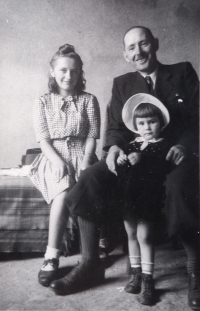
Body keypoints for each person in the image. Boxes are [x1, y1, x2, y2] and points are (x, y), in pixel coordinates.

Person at [50, 26, 199, 310]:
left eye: (143, 44)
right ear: (125, 54)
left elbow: (196, 119)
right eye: (131, 48)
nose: (138, 52)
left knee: (182, 186)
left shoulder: (182, 72)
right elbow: (116, 129)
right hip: (135, 157)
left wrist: (184, 146)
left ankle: (195, 270)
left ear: (155, 44)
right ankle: (91, 263)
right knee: (90, 177)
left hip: (173, 155)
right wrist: (114, 148)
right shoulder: (122, 83)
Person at [29, 43, 102, 288]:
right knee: (61, 194)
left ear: (81, 73)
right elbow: (43, 139)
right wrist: (58, 161)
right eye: (62, 70)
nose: (68, 76)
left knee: (86, 185)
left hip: (83, 151)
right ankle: (52, 255)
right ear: (52, 72)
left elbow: (92, 134)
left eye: (74, 71)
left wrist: (85, 159)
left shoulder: (89, 100)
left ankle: (92, 253)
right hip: (54, 154)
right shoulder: (42, 102)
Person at [115, 94, 172, 305]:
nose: (147, 127)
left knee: (144, 237)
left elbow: (161, 166)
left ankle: (149, 280)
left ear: (161, 123)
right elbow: (124, 168)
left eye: (152, 122)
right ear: (135, 126)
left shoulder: (163, 145)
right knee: (130, 234)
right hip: (129, 197)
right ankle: (136, 275)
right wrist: (122, 158)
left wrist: (142, 157)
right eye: (141, 123)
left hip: (147, 198)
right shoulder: (132, 145)